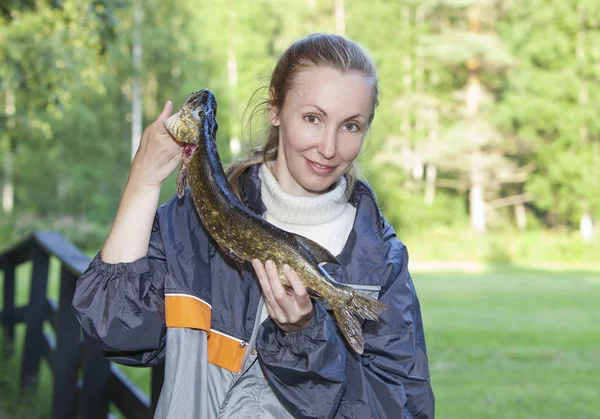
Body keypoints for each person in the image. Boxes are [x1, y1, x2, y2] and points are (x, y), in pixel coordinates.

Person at [73, 33, 435, 419]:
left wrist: (305, 338)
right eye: (313, 118)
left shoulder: (381, 261)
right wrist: (143, 182)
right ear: (275, 110)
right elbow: (112, 328)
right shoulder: (193, 221)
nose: (329, 148)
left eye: (351, 126)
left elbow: (397, 407)